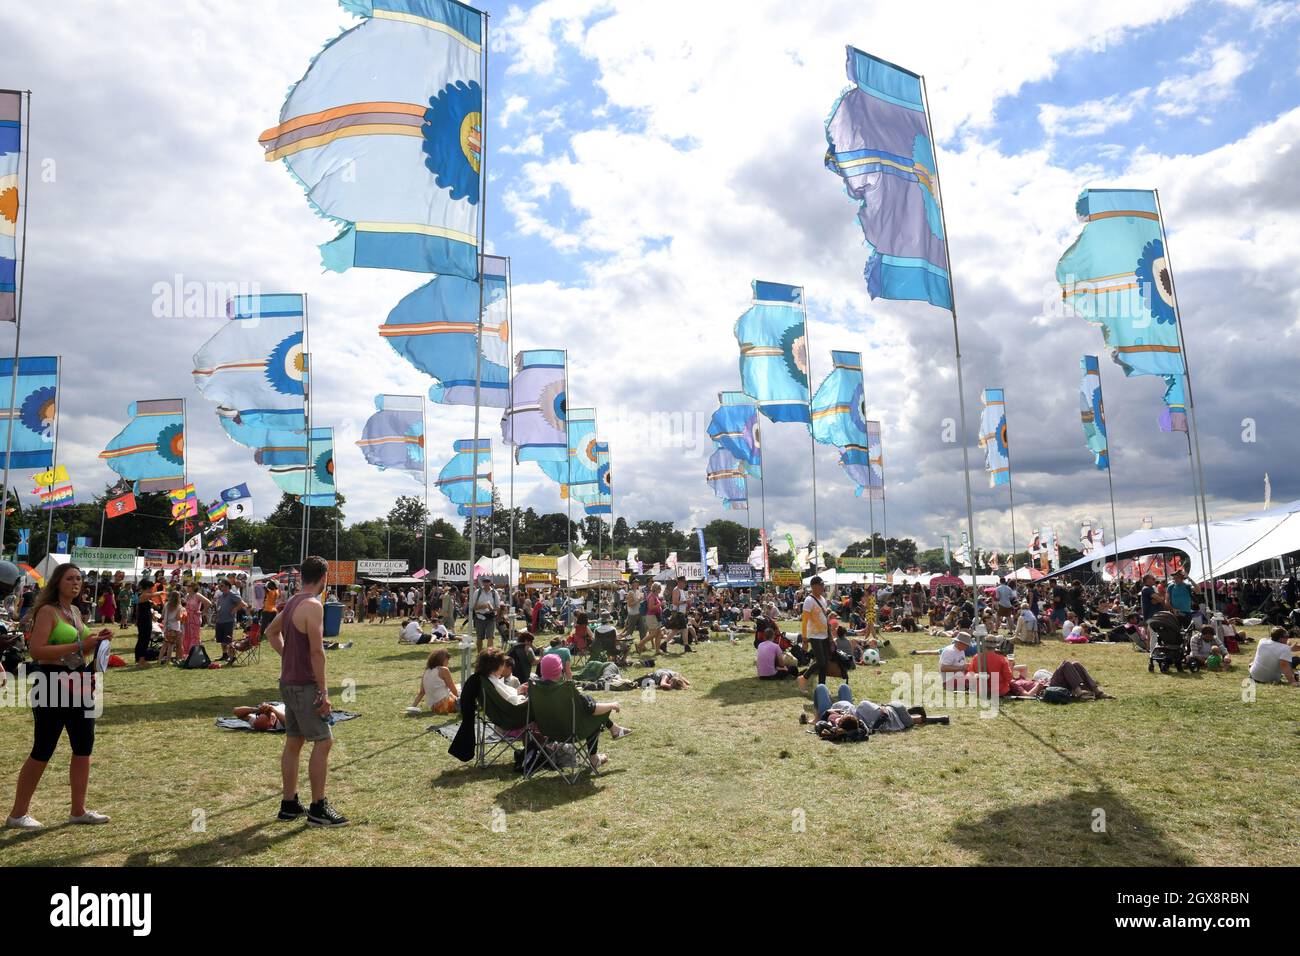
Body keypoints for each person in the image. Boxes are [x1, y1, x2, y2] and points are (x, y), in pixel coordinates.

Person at [6, 563, 114, 829]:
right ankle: (17, 814)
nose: (76, 583)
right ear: (57, 582)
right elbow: (37, 651)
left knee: (83, 746)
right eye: (70, 578)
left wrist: (98, 640)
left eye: (79, 579)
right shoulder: (48, 611)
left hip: (78, 683)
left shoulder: (75, 611)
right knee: (43, 749)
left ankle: (78, 810)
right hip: (52, 683)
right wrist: (82, 644)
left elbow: (82, 651)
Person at [264, 555, 347, 828]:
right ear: (323, 578)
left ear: (301, 576)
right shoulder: (313, 605)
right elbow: (316, 650)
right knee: (323, 741)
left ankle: (289, 804)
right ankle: (318, 808)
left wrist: (288, 657)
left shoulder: (292, 603)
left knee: (294, 741)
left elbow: (270, 632)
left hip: (287, 683)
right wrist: (323, 692)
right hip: (305, 685)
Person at [798, 575, 833, 693]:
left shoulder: (823, 599)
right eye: (821, 585)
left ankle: (821, 688)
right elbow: (804, 621)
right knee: (821, 661)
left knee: (825, 664)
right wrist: (804, 638)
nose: (823, 587)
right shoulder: (808, 600)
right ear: (814, 586)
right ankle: (803, 678)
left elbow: (824, 616)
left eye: (823, 585)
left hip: (824, 635)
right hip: (814, 635)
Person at [412, 649, 459, 714]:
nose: (448, 663)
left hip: (434, 708)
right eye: (447, 660)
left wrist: (412, 707)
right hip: (446, 704)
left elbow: (421, 693)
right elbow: (453, 690)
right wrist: (460, 699)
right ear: (443, 659)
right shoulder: (444, 670)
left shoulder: (426, 671)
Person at [212, 578, 246, 665]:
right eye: (219, 585)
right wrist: (216, 614)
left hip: (229, 620)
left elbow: (242, 604)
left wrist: (235, 609)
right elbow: (219, 607)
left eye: (221, 585)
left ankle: (232, 657)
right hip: (220, 620)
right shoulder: (221, 596)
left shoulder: (232, 594)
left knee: (228, 640)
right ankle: (225, 655)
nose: (219, 587)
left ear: (227, 586)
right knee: (222, 640)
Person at [469, 578, 499, 650]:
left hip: (490, 618)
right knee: (479, 638)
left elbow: (497, 607)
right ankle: (480, 655)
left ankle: (489, 656)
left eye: (487, 581)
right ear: (482, 583)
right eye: (484, 582)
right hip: (479, 617)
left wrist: (492, 609)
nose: (486, 583)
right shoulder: (477, 592)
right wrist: (483, 606)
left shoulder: (494, 592)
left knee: (490, 637)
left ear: (490, 582)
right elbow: (473, 607)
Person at [135, 580, 160, 664]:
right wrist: (162, 592)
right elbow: (152, 595)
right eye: (151, 588)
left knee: (143, 638)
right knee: (144, 639)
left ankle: (139, 658)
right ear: (148, 588)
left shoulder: (144, 596)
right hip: (144, 620)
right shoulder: (144, 595)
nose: (152, 590)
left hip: (145, 619)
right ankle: (141, 659)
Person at [160, 589, 184, 664]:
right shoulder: (179, 606)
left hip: (166, 626)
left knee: (164, 645)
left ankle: (159, 660)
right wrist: (182, 615)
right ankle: (167, 661)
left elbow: (163, 615)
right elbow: (178, 618)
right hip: (174, 627)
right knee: (171, 645)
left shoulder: (166, 604)